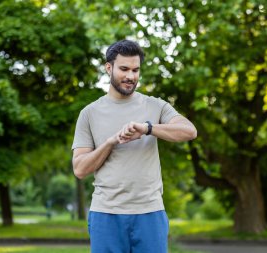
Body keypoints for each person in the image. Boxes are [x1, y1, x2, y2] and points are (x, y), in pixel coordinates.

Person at [71, 39, 197, 253]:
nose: (130, 76)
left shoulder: (155, 105)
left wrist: (148, 128)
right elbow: (80, 169)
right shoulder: (89, 113)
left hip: (150, 213)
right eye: (124, 69)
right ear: (108, 68)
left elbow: (189, 131)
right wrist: (110, 142)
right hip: (106, 214)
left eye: (135, 70)